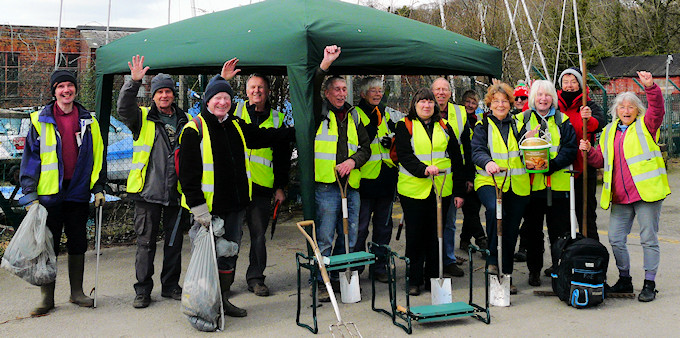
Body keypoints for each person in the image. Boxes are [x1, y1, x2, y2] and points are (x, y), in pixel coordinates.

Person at [178, 72, 294, 316]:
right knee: (208, 259)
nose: (222, 103)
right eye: (217, 98)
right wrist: (199, 209)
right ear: (207, 101)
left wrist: (298, 130)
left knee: (229, 254)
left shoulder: (236, 126)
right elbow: (187, 176)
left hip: (236, 205)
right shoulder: (194, 130)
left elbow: (265, 136)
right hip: (209, 209)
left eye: (227, 98)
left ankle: (223, 301)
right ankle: (204, 305)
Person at [19, 69, 106, 315]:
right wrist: (30, 194)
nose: (66, 90)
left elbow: (98, 157)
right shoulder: (40, 120)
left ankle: (76, 293)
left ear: (75, 89)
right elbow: (31, 159)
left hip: (78, 191)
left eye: (70, 85)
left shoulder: (90, 120)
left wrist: (98, 187)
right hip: (49, 195)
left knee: (78, 241)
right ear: (54, 91)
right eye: (60, 86)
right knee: (48, 245)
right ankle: (47, 299)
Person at [579, 71, 668, 302]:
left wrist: (651, 87)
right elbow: (601, 160)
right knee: (616, 239)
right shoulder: (608, 131)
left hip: (646, 193)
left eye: (630, 107)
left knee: (648, 239)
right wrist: (589, 152)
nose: (626, 110)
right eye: (622, 107)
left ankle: (649, 283)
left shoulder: (646, 126)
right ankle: (625, 278)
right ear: (616, 110)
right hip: (619, 196)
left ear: (637, 110)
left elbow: (657, 110)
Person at [118, 56, 192, 309]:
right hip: (148, 193)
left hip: (176, 193)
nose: (164, 96)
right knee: (145, 244)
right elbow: (123, 108)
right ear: (153, 95)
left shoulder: (187, 120)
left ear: (174, 95)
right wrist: (133, 83)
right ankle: (143, 290)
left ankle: (171, 285)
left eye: (168, 92)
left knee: (174, 244)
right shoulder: (141, 118)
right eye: (159, 92)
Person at [312, 45, 371, 301]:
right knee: (324, 236)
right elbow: (310, 87)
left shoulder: (355, 115)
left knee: (350, 233)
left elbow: (366, 149)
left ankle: (337, 276)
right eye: (336, 89)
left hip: (351, 185)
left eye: (344, 89)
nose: (341, 93)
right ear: (327, 93)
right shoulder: (318, 112)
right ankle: (322, 281)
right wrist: (325, 63)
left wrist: (352, 162)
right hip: (327, 186)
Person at [395, 88, 465, 296]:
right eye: (422, 102)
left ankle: (434, 277)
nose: (426, 106)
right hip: (413, 191)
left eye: (430, 102)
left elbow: (457, 160)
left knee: (437, 237)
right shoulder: (404, 126)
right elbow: (405, 156)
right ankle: (414, 279)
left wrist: (459, 191)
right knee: (415, 236)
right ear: (414, 105)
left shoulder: (445, 127)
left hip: (441, 190)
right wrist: (423, 170)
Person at [227, 72, 292, 297]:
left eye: (261, 87)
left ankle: (256, 278)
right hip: (235, 186)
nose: (256, 91)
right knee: (230, 236)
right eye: (252, 87)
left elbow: (282, 159)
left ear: (268, 92)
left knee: (258, 237)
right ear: (245, 92)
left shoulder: (278, 119)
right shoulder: (234, 112)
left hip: (262, 187)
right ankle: (224, 280)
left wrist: (280, 186)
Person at [516, 80, 577, 287]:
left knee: (558, 232)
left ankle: (558, 268)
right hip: (532, 187)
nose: (543, 99)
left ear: (553, 98)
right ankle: (534, 270)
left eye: (547, 95)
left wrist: (553, 164)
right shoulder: (521, 120)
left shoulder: (563, 121)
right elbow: (513, 148)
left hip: (558, 186)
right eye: (539, 95)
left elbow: (570, 149)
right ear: (533, 97)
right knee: (532, 232)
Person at [471, 81, 530, 295]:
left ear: (510, 103)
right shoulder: (483, 125)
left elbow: (526, 148)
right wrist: (488, 163)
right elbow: (476, 150)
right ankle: (492, 260)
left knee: (512, 230)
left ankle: (506, 275)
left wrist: (531, 142)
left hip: (516, 183)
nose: (501, 105)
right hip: (490, 181)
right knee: (497, 214)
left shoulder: (517, 124)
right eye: (496, 101)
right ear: (490, 104)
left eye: (504, 101)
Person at [352, 77, 397, 283]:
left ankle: (379, 267)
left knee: (384, 228)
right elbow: (362, 140)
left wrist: (392, 141)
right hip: (364, 181)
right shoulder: (357, 114)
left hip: (385, 179)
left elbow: (391, 136)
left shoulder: (385, 113)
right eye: (373, 91)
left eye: (380, 91)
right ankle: (356, 267)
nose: (378, 94)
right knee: (360, 228)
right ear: (363, 94)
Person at [431, 78, 477, 278]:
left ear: (450, 93)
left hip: (452, 175)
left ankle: (448, 260)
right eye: (437, 89)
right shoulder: (422, 109)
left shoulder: (459, 113)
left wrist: (468, 177)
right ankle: (430, 260)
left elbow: (467, 146)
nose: (441, 93)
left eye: (445, 90)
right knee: (429, 221)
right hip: (427, 176)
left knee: (449, 221)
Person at [558, 67, 606, 241]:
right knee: (562, 217)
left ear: (580, 83)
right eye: (566, 82)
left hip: (583, 167)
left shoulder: (589, 105)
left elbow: (600, 123)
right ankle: (564, 257)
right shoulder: (554, 104)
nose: (569, 86)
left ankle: (590, 255)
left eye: (573, 81)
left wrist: (588, 118)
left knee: (586, 214)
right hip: (560, 168)